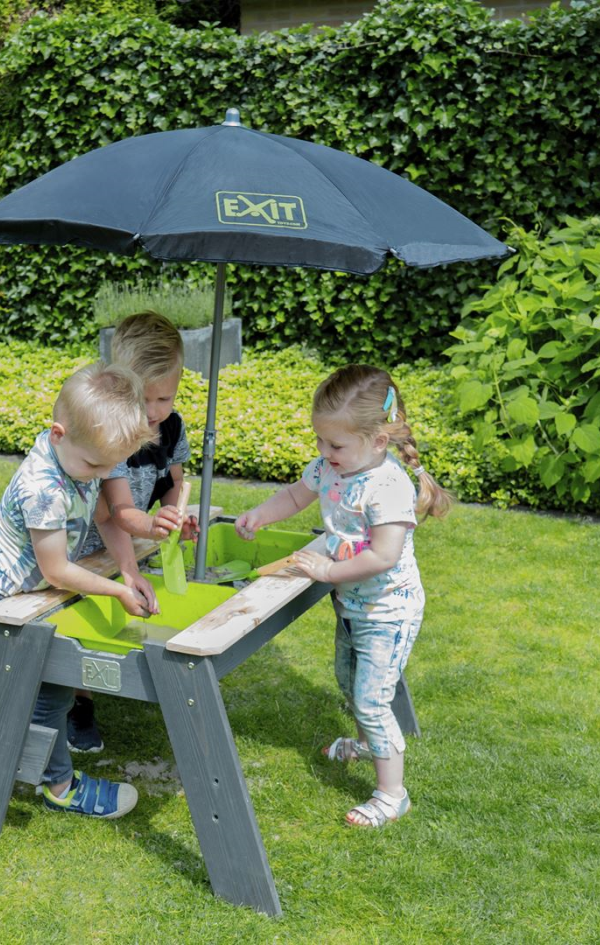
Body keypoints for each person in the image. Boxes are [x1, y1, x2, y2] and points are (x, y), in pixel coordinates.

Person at [0, 362, 158, 819]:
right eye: (92, 465)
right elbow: (57, 570)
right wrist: (114, 593)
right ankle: (60, 786)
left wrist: (128, 570)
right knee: (41, 690)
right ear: (57, 433)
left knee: (10, 688)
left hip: (23, 598)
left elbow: (106, 516)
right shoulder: (43, 487)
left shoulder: (81, 456)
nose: (98, 476)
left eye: (108, 466)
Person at [233, 364, 452, 828]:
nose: (323, 452)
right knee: (350, 683)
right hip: (353, 605)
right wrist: (259, 515)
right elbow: (295, 496)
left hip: (387, 610)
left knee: (372, 700)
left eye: (334, 445)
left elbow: (384, 556)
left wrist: (329, 570)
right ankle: (370, 744)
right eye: (320, 441)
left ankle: (393, 795)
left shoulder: (387, 485)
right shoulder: (333, 468)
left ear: (376, 441)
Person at [67, 311, 198, 753]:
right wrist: (152, 526)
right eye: (147, 399)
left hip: (124, 535)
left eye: (167, 398)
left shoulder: (171, 425)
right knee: (79, 621)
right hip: (82, 542)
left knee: (114, 609)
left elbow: (173, 481)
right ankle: (77, 701)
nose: (157, 412)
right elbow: (119, 510)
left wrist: (174, 516)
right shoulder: (114, 431)